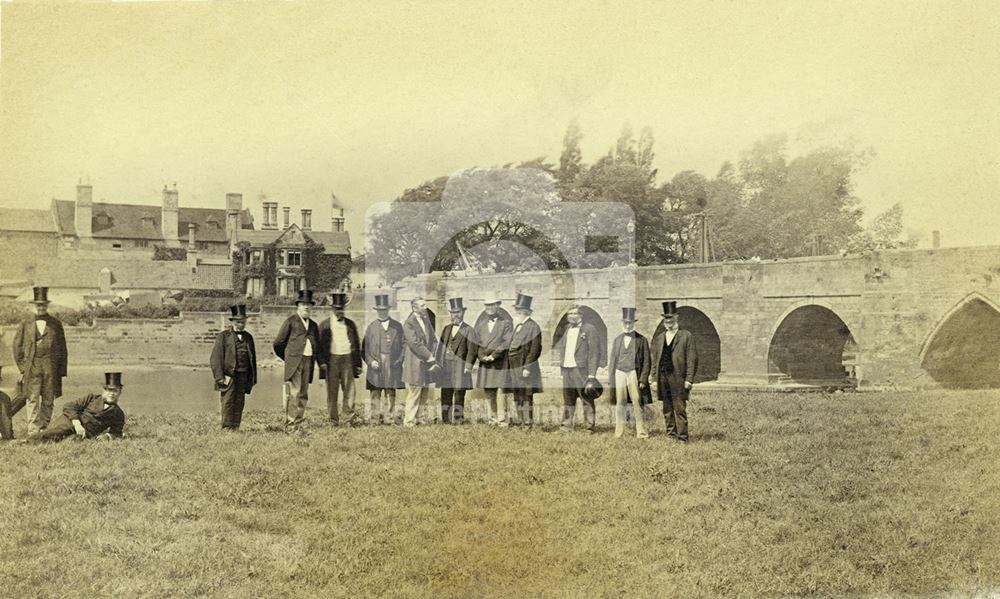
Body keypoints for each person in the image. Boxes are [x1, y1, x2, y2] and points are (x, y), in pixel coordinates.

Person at [12, 287, 68, 436]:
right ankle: (33, 430)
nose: (41, 307)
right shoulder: (26, 323)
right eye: (38, 305)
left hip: (51, 366)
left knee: (49, 398)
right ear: (34, 306)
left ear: (47, 305)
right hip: (32, 366)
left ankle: (44, 428)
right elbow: (17, 346)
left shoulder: (56, 324)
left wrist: (61, 371)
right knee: (32, 399)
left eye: (43, 304)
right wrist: (23, 368)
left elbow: (63, 348)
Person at [26, 372, 125, 443]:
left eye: (115, 391)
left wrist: (107, 436)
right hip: (69, 422)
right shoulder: (91, 398)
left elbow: (117, 433)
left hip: (84, 435)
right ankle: (26, 442)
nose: (111, 394)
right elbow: (69, 406)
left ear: (120, 392)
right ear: (104, 391)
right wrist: (77, 424)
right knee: (58, 432)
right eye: (109, 390)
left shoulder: (118, 414)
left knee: (69, 441)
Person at [650, 301, 699, 442]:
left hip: (678, 378)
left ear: (676, 318)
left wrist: (689, 379)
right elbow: (655, 361)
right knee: (667, 409)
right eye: (666, 318)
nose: (668, 321)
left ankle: (683, 437)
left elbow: (692, 359)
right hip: (663, 378)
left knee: (680, 408)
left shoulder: (686, 336)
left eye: (671, 318)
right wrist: (653, 379)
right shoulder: (659, 338)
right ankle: (671, 435)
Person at [272, 290, 321, 431]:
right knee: (294, 392)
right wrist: (288, 358)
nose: (306, 307)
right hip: (295, 362)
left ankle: (299, 420)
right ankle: (291, 423)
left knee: (304, 393)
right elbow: (278, 343)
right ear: (298, 306)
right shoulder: (290, 321)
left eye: (309, 305)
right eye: (303, 304)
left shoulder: (313, 325)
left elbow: (316, 344)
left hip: (308, 361)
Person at [210, 304, 257, 431]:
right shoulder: (223, 336)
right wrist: (219, 377)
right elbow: (215, 358)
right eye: (238, 321)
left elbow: (253, 359)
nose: (240, 324)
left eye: (242, 321)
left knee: (240, 401)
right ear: (233, 322)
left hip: (243, 374)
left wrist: (252, 378)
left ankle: (235, 426)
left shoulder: (249, 337)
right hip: (228, 375)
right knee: (228, 401)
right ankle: (226, 427)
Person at [318, 292, 363, 425]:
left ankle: (348, 418)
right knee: (332, 391)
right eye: (337, 309)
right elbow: (319, 346)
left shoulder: (350, 324)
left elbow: (356, 344)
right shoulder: (324, 325)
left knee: (349, 390)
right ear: (332, 309)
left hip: (347, 359)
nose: (340, 311)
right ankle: (333, 420)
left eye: (342, 309)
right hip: (331, 360)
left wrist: (357, 364)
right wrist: (321, 363)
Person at [554, 305, 600, 433]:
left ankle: (589, 427)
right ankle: (566, 426)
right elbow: (563, 348)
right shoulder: (567, 329)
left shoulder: (590, 329)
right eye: (569, 314)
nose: (571, 316)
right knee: (568, 398)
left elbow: (594, 353)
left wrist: (591, 375)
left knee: (586, 398)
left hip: (581, 370)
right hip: (567, 369)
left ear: (581, 315)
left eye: (574, 313)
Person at [608, 307, 651, 439]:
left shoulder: (642, 340)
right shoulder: (617, 340)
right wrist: (612, 379)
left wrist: (643, 379)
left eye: (630, 322)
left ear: (634, 323)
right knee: (620, 402)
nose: (627, 325)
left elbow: (647, 362)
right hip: (619, 372)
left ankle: (641, 432)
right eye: (625, 322)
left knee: (637, 401)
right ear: (623, 323)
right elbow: (613, 361)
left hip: (634, 373)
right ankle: (619, 432)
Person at [362, 294, 404, 424]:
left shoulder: (397, 326)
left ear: (388, 310)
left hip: (392, 363)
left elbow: (404, 345)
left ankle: (389, 417)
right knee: (375, 391)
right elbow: (365, 348)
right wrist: (370, 362)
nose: (382, 312)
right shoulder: (371, 327)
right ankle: (375, 418)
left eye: (384, 309)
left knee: (390, 391)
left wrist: (399, 360)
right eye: (380, 310)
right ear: (377, 311)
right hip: (376, 363)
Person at [436, 297, 477, 424]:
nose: (456, 315)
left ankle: (458, 419)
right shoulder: (447, 329)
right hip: (446, 366)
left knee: (459, 393)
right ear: (450, 314)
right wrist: (438, 364)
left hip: (460, 366)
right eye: (453, 313)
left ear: (463, 313)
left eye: (458, 312)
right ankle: (446, 420)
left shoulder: (468, 330)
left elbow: (472, 350)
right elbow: (441, 347)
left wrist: (468, 366)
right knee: (446, 392)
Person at [474, 293, 512, 426]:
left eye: (492, 304)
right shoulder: (480, 323)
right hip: (485, 361)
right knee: (488, 390)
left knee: (500, 391)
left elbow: (506, 342)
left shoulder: (506, 323)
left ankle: (502, 419)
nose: (489, 307)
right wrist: (481, 356)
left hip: (499, 361)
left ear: (498, 305)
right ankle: (492, 417)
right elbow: (476, 341)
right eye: (487, 305)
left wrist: (494, 355)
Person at [505, 293, 542, 428]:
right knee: (517, 393)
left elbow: (535, 349)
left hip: (524, 365)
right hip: (514, 365)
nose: (517, 313)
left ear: (525, 312)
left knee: (526, 395)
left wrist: (527, 368)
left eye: (519, 311)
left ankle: (528, 422)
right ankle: (520, 420)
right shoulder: (517, 326)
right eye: (516, 310)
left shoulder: (533, 327)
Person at [401, 297, 438, 426]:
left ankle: (420, 418)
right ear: (414, 308)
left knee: (425, 390)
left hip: (426, 361)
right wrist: (429, 355)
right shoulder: (409, 323)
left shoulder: (426, 319)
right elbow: (414, 343)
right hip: (415, 362)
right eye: (422, 305)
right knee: (415, 391)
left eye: (425, 305)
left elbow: (433, 338)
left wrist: (433, 353)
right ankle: (409, 420)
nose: (425, 307)